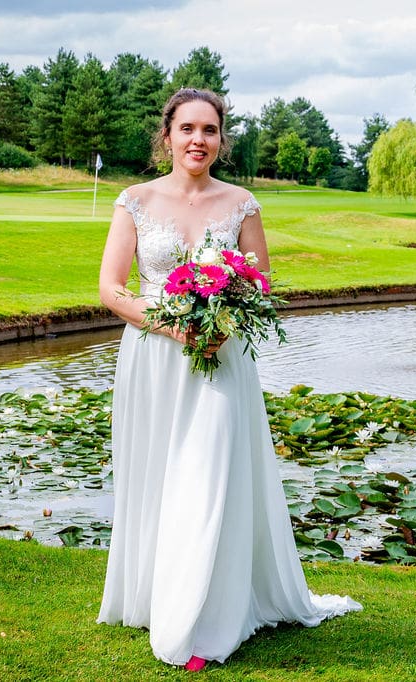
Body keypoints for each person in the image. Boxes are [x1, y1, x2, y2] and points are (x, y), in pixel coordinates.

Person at [96, 87, 360, 672]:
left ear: (222, 139)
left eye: (210, 130)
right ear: (166, 136)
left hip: (222, 357)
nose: (198, 140)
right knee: (161, 473)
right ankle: (156, 596)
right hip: (154, 358)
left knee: (211, 468)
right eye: (187, 129)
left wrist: (225, 313)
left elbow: (260, 281)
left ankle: (206, 616)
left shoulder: (241, 202)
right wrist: (172, 325)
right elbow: (112, 288)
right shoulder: (134, 200)